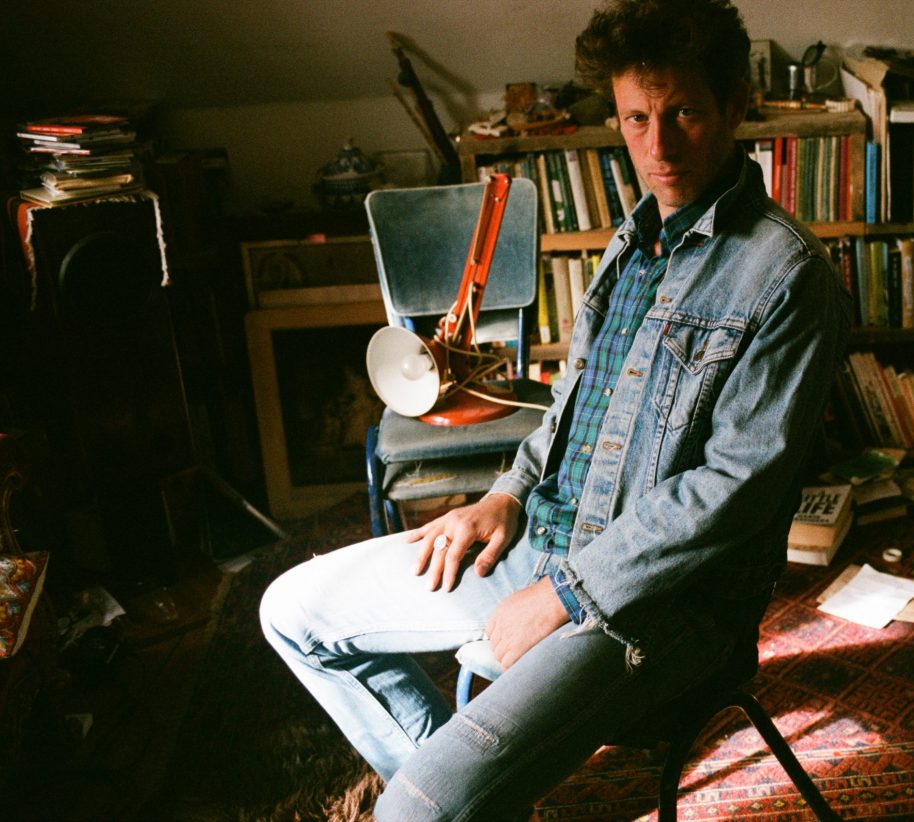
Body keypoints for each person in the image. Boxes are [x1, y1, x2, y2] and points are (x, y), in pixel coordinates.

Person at [260, 0, 851, 817]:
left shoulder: (786, 276)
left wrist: (565, 594)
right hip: (543, 539)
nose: (658, 143)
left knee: (410, 812)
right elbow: (573, 407)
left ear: (734, 109)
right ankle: (469, 794)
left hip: (660, 612)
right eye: (637, 117)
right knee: (291, 611)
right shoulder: (630, 243)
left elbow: (734, 491)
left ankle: (445, 799)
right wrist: (503, 496)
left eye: (683, 111)